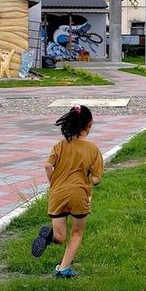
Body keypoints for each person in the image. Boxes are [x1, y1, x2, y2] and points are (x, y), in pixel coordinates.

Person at [31, 105, 103, 278]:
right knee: (76, 233)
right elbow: (96, 179)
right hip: (79, 194)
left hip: (58, 193)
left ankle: (49, 237)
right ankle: (63, 269)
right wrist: (91, 178)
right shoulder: (93, 149)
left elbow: (48, 165)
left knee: (60, 236)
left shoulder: (59, 146)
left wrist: (53, 182)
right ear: (89, 125)